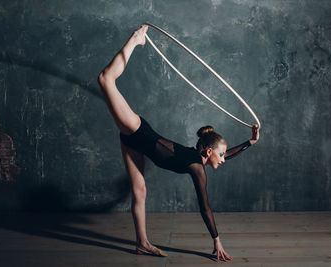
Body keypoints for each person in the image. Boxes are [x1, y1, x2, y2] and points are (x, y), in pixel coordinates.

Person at [98, 24, 259, 262]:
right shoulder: (196, 167)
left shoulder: (199, 158)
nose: (224, 159)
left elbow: (229, 154)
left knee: (139, 191)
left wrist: (250, 143)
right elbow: (205, 207)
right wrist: (216, 239)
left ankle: (142, 243)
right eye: (221, 155)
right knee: (105, 80)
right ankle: (135, 40)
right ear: (207, 151)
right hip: (138, 131)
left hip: (135, 144)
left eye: (223, 155)